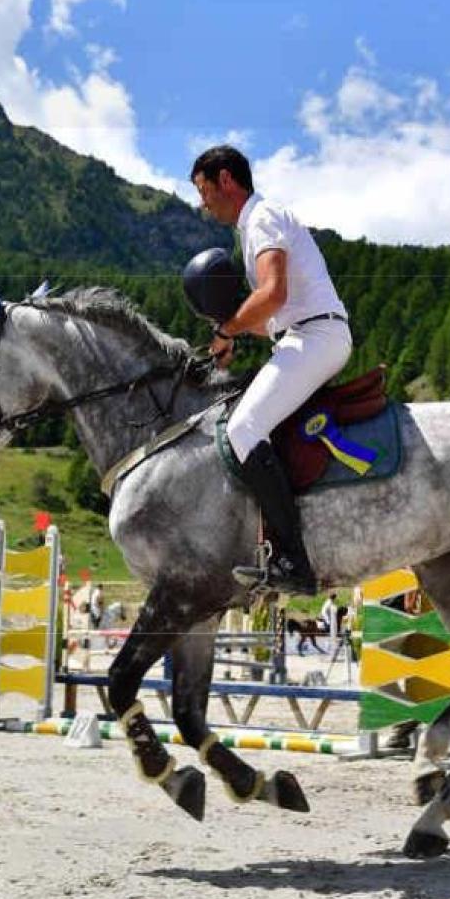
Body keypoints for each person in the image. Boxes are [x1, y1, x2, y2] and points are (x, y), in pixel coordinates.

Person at [190, 145, 351, 594]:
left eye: (204, 191)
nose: (203, 204)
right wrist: (233, 335)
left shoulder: (261, 218)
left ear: (226, 180)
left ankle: (292, 560)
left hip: (316, 336)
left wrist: (227, 329)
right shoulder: (257, 224)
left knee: (243, 428)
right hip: (306, 333)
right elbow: (270, 318)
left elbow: (274, 294)